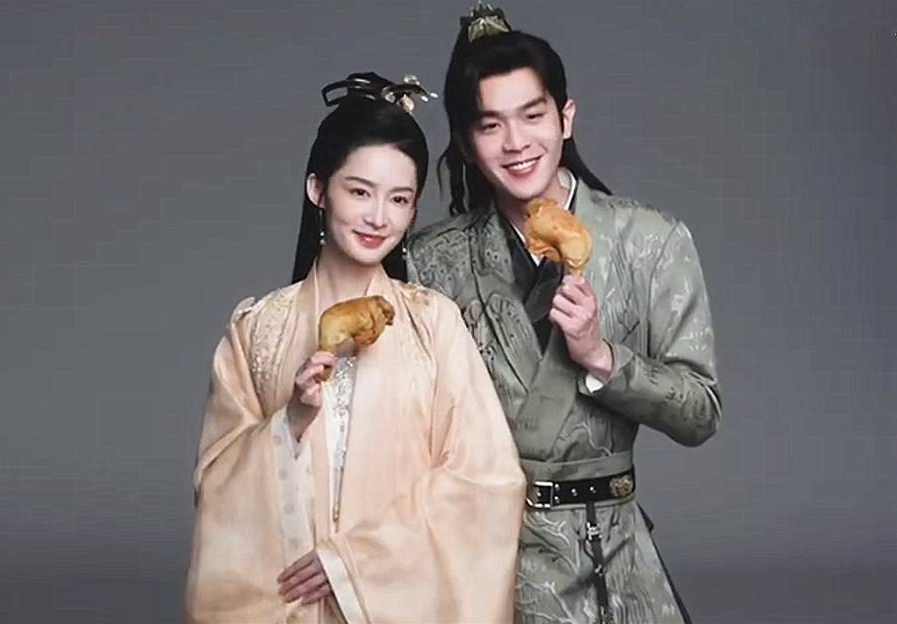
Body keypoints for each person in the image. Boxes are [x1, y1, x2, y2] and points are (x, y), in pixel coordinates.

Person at [407, 5, 722, 623]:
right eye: (491, 125)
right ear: (467, 144)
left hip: (615, 554)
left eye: (533, 115)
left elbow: (700, 413)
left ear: (566, 117)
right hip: (489, 558)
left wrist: (602, 359)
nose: (516, 142)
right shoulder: (431, 261)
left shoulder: (650, 240)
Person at [184, 71, 526, 624]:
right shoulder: (257, 329)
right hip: (289, 607)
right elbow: (215, 483)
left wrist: (353, 563)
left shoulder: (433, 325)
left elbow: (486, 483)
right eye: (360, 192)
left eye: (399, 199)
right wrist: (289, 424)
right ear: (318, 189)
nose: (378, 217)